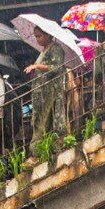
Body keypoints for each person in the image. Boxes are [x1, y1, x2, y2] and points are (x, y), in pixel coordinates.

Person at [25, 26, 69, 155]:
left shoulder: (56, 48)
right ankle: (39, 149)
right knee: (39, 120)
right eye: (36, 36)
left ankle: (48, 147)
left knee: (47, 120)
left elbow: (57, 68)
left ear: (48, 35)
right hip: (41, 93)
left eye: (39, 36)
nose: (37, 39)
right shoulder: (43, 51)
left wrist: (38, 66)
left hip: (51, 92)